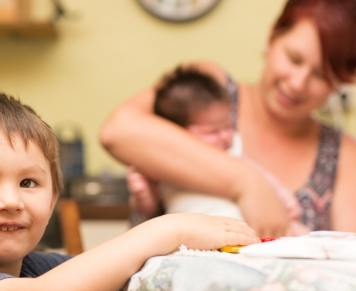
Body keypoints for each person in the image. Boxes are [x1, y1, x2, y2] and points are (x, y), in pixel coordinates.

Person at [0, 86, 259, 291]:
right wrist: (169, 228)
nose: (10, 201)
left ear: (52, 200)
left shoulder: (31, 267)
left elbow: (110, 270)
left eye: (28, 183)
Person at [101, 0, 356, 238]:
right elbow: (117, 131)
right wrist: (247, 182)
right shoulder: (208, 93)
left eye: (321, 75)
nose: (298, 84)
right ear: (272, 38)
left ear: (340, 83)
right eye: (294, 58)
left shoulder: (344, 155)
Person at [128, 66, 307, 234]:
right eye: (212, 131)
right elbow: (149, 210)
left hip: (243, 229)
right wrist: (143, 196)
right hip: (193, 237)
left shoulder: (230, 151)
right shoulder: (166, 159)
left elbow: (258, 174)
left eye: (228, 126)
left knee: (296, 232)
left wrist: (284, 198)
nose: (225, 136)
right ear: (177, 133)